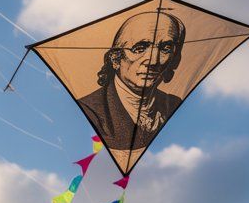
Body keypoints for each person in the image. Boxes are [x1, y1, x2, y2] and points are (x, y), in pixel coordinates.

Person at [79, 10, 185, 170]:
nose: (153, 60)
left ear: (175, 60)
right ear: (116, 59)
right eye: (140, 48)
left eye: (165, 48)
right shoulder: (89, 110)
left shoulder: (175, 106)